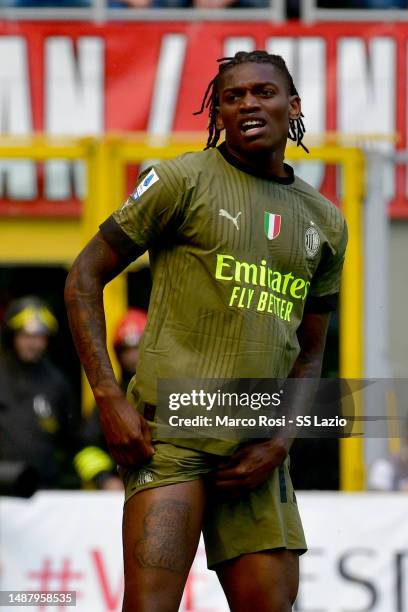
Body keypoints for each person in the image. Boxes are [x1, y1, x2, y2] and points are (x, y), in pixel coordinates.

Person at [65, 50, 348, 611]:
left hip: (257, 449)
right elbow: (82, 280)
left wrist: (280, 441)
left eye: (263, 92)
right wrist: (108, 396)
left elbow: (310, 354)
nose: (247, 103)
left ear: (292, 106)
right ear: (216, 113)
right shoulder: (179, 181)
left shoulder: (326, 220)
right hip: (171, 439)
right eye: (231, 96)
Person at [0, 296, 79, 489]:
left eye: (39, 337)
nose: (33, 344)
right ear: (13, 336)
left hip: (44, 494)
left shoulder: (57, 382)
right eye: (26, 336)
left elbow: (72, 441)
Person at [75, 308, 147, 490]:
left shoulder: (172, 393)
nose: (133, 357)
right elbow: (86, 449)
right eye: (126, 350)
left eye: (138, 348)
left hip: (167, 490)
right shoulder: (109, 398)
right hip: (120, 495)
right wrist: (104, 479)